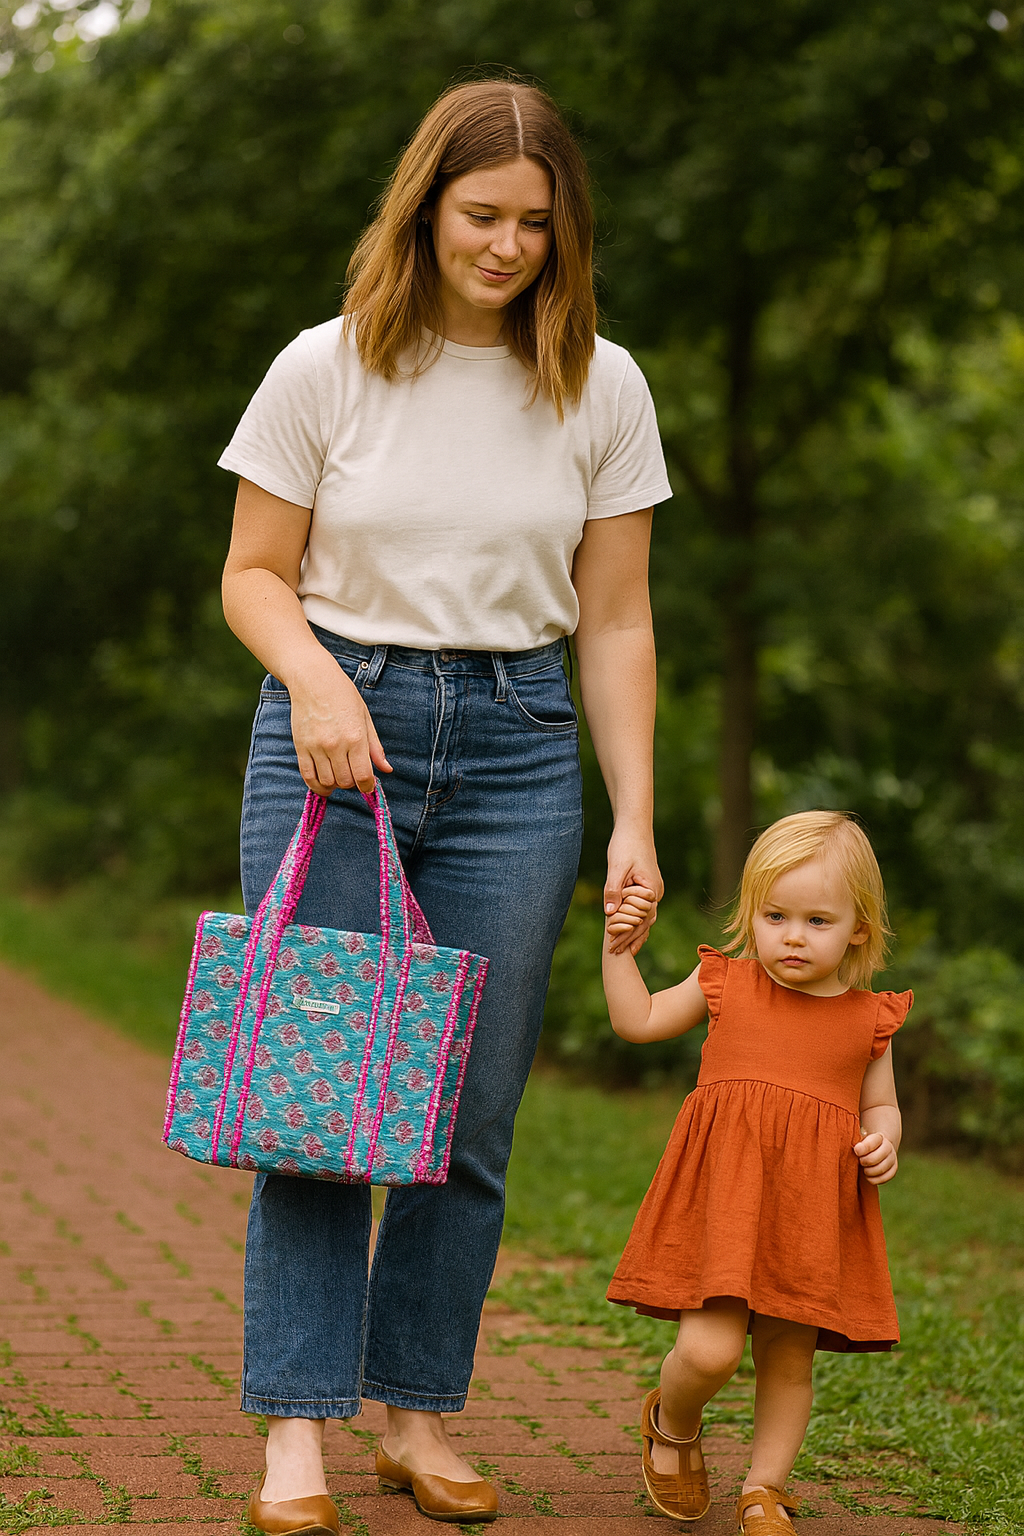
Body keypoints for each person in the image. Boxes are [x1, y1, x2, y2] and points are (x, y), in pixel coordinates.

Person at [217, 78, 672, 1531]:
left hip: (522, 746)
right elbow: (251, 574)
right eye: (483, 216)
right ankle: (297, 1432)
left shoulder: (602, 384)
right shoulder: (327, 366)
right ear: (425, 210)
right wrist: (316, 681)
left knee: (465, 1117)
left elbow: (615, 622)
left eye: (538, 223)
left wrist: (636, 817)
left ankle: (414, 1414)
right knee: (324, 1099)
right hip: (336, 737)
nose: (508, 245)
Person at [602, 812, 909, 1533]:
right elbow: (638, 1020)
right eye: (775, 915)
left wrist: (884, 1139)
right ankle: (672, 1422)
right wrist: (620, 950)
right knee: (708, 1352)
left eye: (816, 919)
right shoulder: (728, 984)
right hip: (725, 1204)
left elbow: (883, 1103)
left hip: (810, 1213)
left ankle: (764, 1487)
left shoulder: (870, 1018)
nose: (792, 935)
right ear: (751, 913)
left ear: (859, 929)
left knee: (787, 1357)